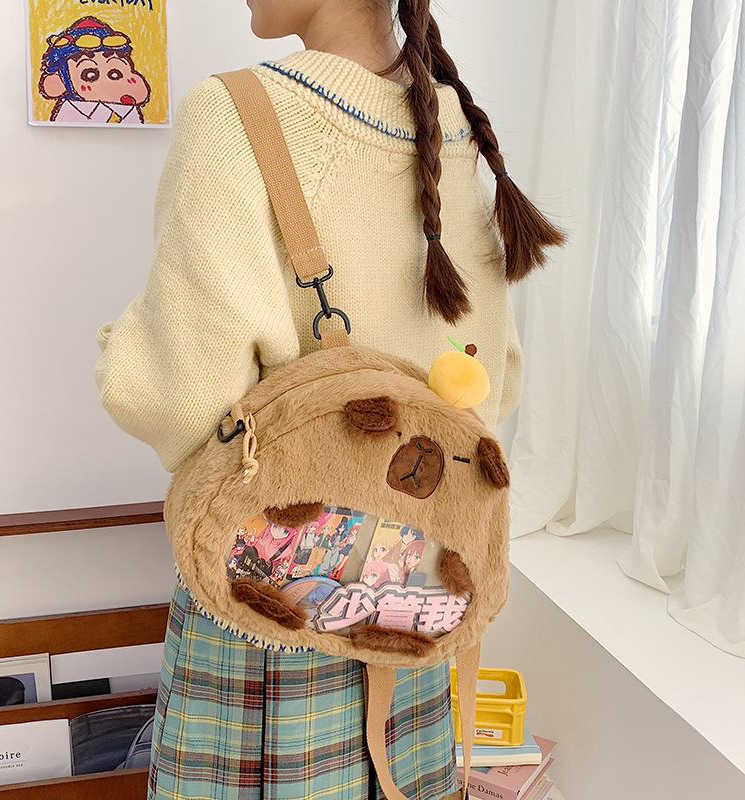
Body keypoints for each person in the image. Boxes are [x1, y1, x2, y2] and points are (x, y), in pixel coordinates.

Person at [94, 2, 564, 798]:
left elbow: (182, 397)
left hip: (271, 596)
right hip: (413, 589)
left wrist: (120, 349)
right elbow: (495, 377)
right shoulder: (453, 121)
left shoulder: (234, 112)